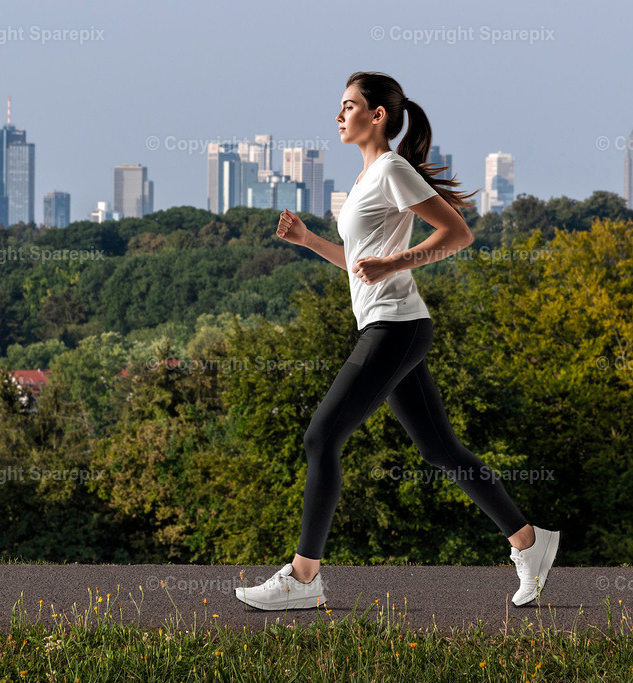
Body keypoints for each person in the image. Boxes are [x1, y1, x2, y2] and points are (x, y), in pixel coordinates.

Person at [233, 71, 559, 611]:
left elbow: (456, 233)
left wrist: (398, 260)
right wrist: (310, 240)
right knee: (438, 448)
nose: (339, 116)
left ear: (376, 115)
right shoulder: (363, 181)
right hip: (387, 324)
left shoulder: (392, 168)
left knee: (321, 437)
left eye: (348, 106)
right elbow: (362, 268)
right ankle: (529, 540)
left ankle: (303, 576)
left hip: (397, 327)